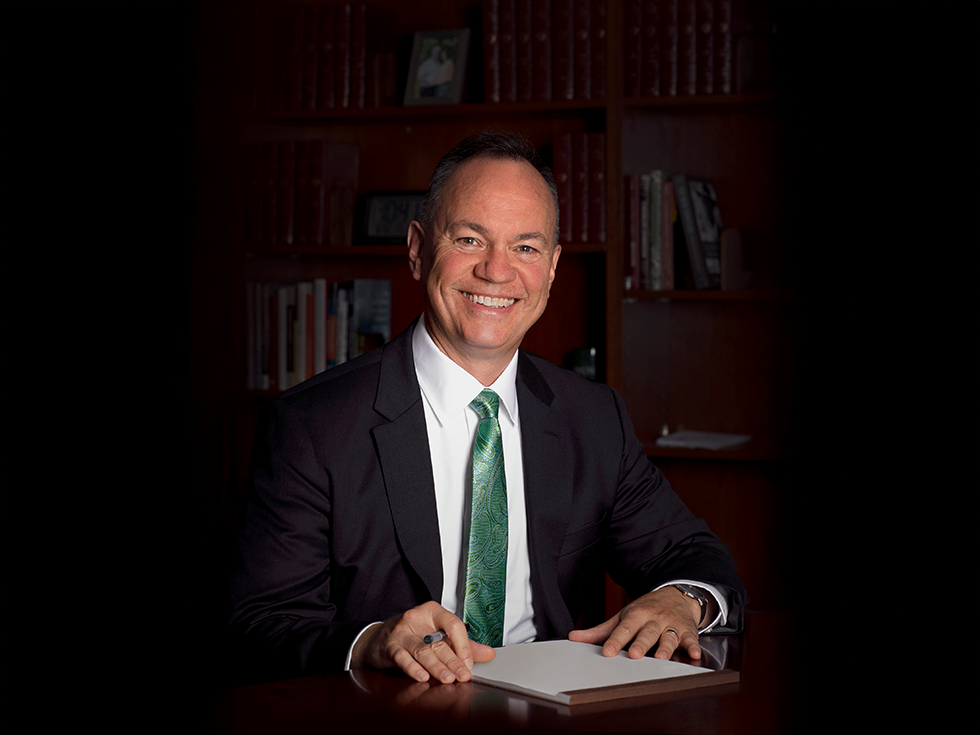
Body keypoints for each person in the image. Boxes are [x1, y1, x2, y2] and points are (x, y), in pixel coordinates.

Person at [228, 132, 746, 687]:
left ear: (550, 269)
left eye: (525, 248)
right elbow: (260, 627)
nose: (497, 272)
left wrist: (681, 601)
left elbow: (694, 555)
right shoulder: (312, 426)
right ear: (418, 248)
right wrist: (371, 642)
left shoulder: (594, 418)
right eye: (470, 239)